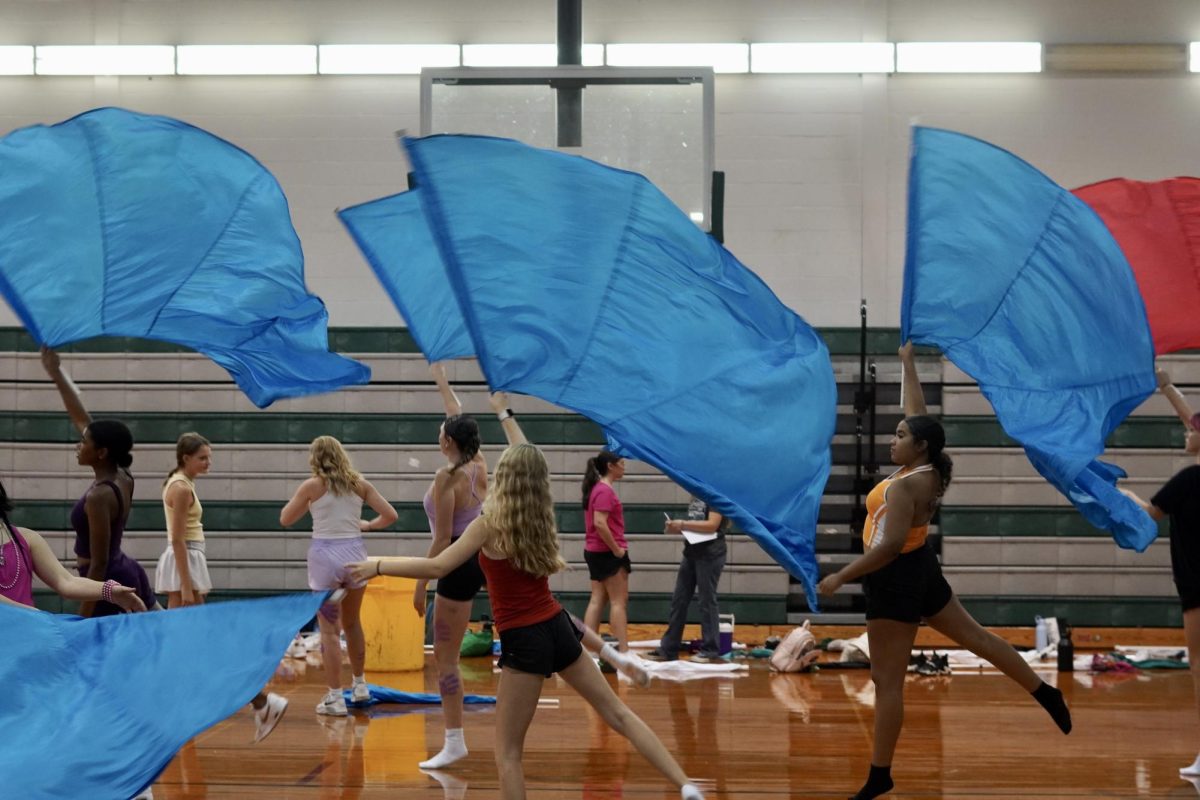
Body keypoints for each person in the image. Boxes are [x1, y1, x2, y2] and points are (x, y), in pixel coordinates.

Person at [347, 392, 701, 800]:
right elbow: (528, 454)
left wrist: (376, 565)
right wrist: (503, 409)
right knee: (619, 714)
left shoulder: (490, 524)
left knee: (509, 755)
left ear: (507, 477)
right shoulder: (540, 514)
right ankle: (687, 786)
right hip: (556, 627)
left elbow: (437, 567)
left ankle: (620, 669)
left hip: (524, 639)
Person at [817, 343, 1071, 800]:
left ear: (918, 446)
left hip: (896, 578)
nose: (891, 440)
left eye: (898, 436)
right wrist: (909, 363)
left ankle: (880, 775)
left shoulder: (906, 487)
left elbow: (889, 547)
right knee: (978, 638)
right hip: (922, 568)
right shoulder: (928, 466)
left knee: (886, 681)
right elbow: (918, 414)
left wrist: (842, 575)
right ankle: (1043, 691)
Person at [156, 431, 288, 742]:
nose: (208, 462)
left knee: (192, 645)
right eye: (202, 457)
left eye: (209, 457)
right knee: (190, 646)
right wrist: (187, 586)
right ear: (185, 458)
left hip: (186, 563)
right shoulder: (180, 487)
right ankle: (256, 701)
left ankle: (260, 701)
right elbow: (176, 539)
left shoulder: (182, 485)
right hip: (184, 563)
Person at [1119, 367, 1200, 779]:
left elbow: (1147, 517)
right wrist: (1167, 386)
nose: (1187, 431)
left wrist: (1119, 494)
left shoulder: (1187, 481)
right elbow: (1193, 421)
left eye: (1193, 431)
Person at [281, 435, 398, 717]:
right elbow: (390, 515)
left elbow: (285, 519)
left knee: (330, 632)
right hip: (355, 555)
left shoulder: (312, 486)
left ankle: (335, 698)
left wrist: (310, 504)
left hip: (324, 557)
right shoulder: (359, 484)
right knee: (353, 622)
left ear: (315, 459)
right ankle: (360, 687)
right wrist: (368, 524)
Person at [42, 347, 159, 616]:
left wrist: (84, 614)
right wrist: (57, 373)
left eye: (84, 443)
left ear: (101, 452)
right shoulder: (123, 475)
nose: (78, 445)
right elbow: (83, 420)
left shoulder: (99, 497)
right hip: (128, 570)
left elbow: (99, 563)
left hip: (108, 583)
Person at [414, 362, 491, 769]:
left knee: (445, 658)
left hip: (457, 560)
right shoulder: (478, 460)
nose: (439, 431)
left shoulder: (448, 478)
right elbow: (455, 409)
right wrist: (439, 375)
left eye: (443, 431)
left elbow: (441, 540)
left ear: (447, 443)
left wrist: (420, 585)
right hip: (478, 553)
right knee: (447, 656)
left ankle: (454, 740)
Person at [0, 477, 145, 612]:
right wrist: (33, 615)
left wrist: (109, 591)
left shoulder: (27, 538)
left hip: (30, 632)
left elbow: (65, 581)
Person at [646, 497, 728, 663]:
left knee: (706, 601)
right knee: (679, 599)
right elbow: (697, 523)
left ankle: (710, 649)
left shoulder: (713, 493)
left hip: (710, 553)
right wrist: (677, 528)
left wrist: (682, 524)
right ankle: (669, 647)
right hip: (691, 551)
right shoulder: (696, 495)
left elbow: (712, 524)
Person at [581, 450, 631, 652]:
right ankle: (623, 651)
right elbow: (600, 523)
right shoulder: (604, 491)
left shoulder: (597, 489)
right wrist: (617, 550)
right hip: (607, 553)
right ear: (611, 466)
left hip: (594, 551)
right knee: (619, 602)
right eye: (621, 462)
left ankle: (588, 649)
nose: (624, 466)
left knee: (597, 599)